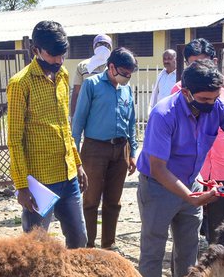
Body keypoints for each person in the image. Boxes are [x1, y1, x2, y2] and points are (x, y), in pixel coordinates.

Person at [136, 59, 224, 277]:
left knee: (188, 249)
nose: (211, 104)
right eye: (205, 99)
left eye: (215, 98)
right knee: (153, 248)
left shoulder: (219, 107)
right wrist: (188, 196)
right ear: (186, 92)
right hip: (158, 186)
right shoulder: (164, 114)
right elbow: (158, 168)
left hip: (191, 184)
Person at [7, 20, 88, 249]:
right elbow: (14, 139)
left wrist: (78, 163)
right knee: (35, 246)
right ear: (36, 50)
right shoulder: (20, 84)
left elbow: (65, 126)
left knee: (79, 239)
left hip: (68, 175)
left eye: (63, 55)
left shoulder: (62, 75)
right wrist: (22, 186)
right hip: (40, 183)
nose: (59, 61)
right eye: (53, 55)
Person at [71, 47, 138, 251]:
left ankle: (109, 244)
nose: (127, 77)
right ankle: (89, 246)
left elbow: (131, 122)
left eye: (129, 74)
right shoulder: (91, 85)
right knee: (90, 199)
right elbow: (78, 122)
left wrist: (133, 152)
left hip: (121, 150)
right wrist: (76, 157)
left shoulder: (126, 89)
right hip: (94, 149)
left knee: (114, 200)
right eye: (124, 73)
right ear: (111, 67)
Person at [69, 34, 112, 118]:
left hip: (107, 110)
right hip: (87, 111)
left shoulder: (113, 66)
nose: (103, 48)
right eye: (100, 44)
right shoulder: (83, 66)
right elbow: (76, 92)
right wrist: (73, 116)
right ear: (94, 47)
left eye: (106, 45)